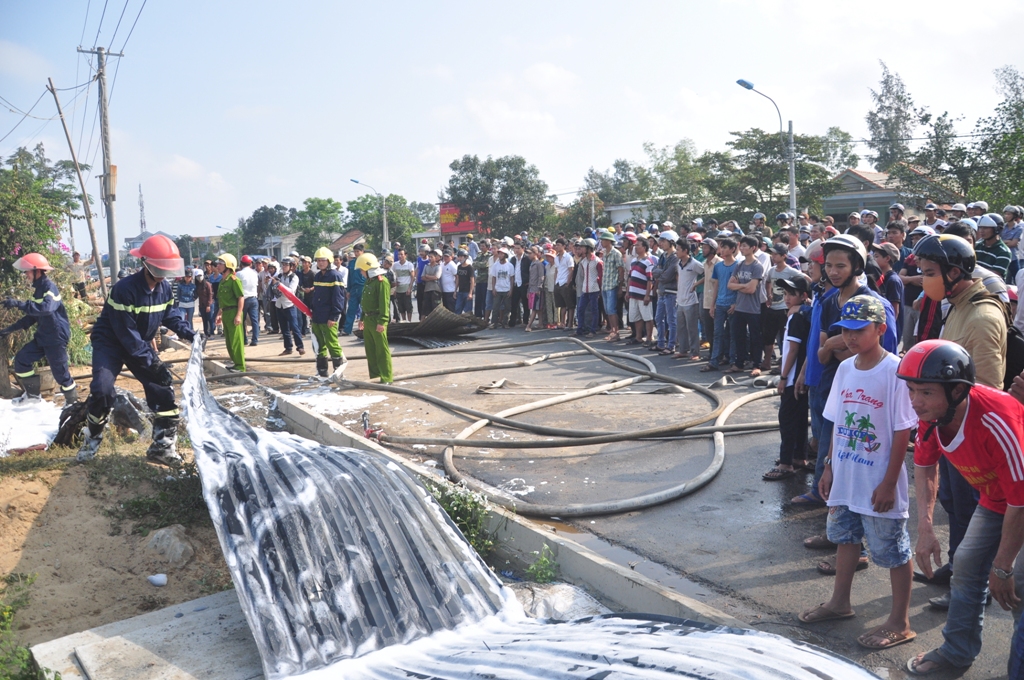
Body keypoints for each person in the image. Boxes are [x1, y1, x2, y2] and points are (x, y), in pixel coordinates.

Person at [798, 295, 917, 653]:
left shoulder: (895, 371)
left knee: (893, 550)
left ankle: (900, 621)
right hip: (846, 476)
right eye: (845, 331)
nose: (850, 338)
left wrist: (888, 482)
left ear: (880, 329)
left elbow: (901, 430)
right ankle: (839, 602)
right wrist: (830, 465)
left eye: (859, 330)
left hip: (878, 481)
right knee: (845, 538)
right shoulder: (846, 369)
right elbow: (835, 422)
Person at [898, 340, 1024, 676]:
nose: (915, 401)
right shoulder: (934, 416)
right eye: (911, 391)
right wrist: (925, 529)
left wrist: (1002, 567)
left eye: (924, 392)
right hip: (998, 500)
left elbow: (1021, 502)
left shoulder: (997, 420)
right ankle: (957, 652)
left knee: (1019, 588)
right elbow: (925, 466)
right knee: (965, 566)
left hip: (1020, 502)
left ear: (956, 391)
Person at [76, 234, 195, 465]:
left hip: (138, 343)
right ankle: (92, 439)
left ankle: (162, 447)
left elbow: (170, 315)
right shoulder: (124, 289)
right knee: (101, 390)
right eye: (160, 269)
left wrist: (188, 332)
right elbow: (126, 335)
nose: (163, 275)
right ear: (146, 263)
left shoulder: (165, 289)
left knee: (163, 389)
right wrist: (154, 362)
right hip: (111, 344)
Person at [0, 254, 77, 405]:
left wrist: (18, 304)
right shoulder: (38, 290)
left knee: (61, 374)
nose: (26, 274)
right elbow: (32, 317)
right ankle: (33, 398)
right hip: (43, 337)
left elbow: (46, 309)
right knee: (22, 360)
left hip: (55, 338)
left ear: (37, 271)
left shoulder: (50, 288)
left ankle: (72, 403)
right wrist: (8, 329)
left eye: (27, 271)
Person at [764, 275, 811, 480]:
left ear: (803, 296)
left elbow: (792, 350)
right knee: (800, 418)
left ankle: (785, 463)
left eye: (792, 294)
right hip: (802, 376)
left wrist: (783, 377)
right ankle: (799, 457)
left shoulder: (796, 317)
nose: (787, 298)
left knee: (787, 419)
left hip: (793, 377)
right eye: (785, 293)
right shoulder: (804, 315)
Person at [727, 235, 766, 376]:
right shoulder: (739, 264)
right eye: (741, 246)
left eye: (745, 246)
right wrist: (744, 285)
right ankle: (739, 364)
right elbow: (729, 285)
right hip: (740, 307)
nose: (741, 248)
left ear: (753, 248)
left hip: (753, 309)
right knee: (739, 337)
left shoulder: (757, 267)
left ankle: (757, 365)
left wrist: (739, 285)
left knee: (755, 337)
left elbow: (752, 289)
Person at [763, 243, 803, 372]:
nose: (773, 257)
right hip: (773, 307)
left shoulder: (790, 271)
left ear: (784, 256)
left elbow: (805, 279)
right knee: (768, 337)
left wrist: (797, 299)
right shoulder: (772, 270)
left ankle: (782, 365)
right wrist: (768, 293)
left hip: (784, 308)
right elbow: (768, 281)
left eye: (776, 254)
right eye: (772, 254)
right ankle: (767, 362)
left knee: (784, 339)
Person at [702, 238, 739, 371]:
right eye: (721, 247)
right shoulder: (718, 266)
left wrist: (736, 303)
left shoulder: (738, 266)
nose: (721, 250)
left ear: (733, 249)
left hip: (732, 304)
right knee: (718, 333)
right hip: (720, 303)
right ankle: (714, 361)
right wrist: (712, 305)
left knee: (732, 333)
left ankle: (733, 360)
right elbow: (716, 285)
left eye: (725, 247)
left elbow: (739, 287)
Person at [357, 253, 392, 384]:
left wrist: (382, 321)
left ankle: (386, 377)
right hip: (368, 318)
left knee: (381, 349)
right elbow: (364, 301)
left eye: (362, 270)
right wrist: (361, 318)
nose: (361, 273)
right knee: (371, 349)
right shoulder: (369, 281)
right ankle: (377, 373)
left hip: (377, 319)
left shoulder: (382, 282)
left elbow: (384, 303)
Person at [311, 247, 345, 377]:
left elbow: (338, 298)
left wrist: (334, 316)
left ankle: (338, 373)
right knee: (318, 345)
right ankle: (322, 372)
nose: (320, 263)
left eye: (323, 260)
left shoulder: (335, 276)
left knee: (332, 344)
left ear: (329, 261)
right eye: (318, 260)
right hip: (317, 316)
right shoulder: (318, 276)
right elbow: (315, 297)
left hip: (329, 317)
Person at [673, 238, 704, 360]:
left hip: (691, 300)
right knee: (681, 327)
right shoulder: (678, 264)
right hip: (680, 300)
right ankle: (683, 350)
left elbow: (706, 274)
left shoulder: (695, 263)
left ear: (685, 251)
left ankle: (695, 352)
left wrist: (696, 285)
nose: (676, 252)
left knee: (692, 328)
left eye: (678, 249)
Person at [215, 254, 246, 372]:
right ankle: (235, 363)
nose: (218, 266)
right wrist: (219, 313)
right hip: (226, 313)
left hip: (234, 312)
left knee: (236, 341)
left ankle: (240, 366)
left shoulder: (234, 280)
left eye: (220, 264)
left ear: (228, 266)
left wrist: (238, 315)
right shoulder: (222, 281)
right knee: (229, 341)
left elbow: (241, 298)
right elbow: (222, 300)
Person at [273, 257, 305, 357]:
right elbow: (274, 289)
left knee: (294, 327)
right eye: (283, 265)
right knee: (284, 328)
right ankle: (288, 348)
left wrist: (279, 285)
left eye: (286, 265)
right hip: (279, 304)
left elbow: (291, 291)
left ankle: (300, 346)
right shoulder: (279, 276)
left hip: (289, 305)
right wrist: (273, 285)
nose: (284, 267)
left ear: (291, 266)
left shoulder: (294, 277)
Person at [574, 238, 603, 338]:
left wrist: (599, 290)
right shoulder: (583, 262)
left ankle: (593, 330)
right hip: (585, 289)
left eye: (582, 247)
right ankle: (580, 330)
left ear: (589, 248)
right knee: (581, 309)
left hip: (594, 289)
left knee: (594, 310)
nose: (580, 249)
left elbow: (600, 276)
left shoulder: (597, 261)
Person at [599, 229, 625, 341]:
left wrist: (620, 287)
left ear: (609, 241)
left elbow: (621, 270)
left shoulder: (616, 253)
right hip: (605, 285)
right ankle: (612, 330)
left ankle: (616, 332)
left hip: (612, 286)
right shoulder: (605, 253)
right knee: (607, 310)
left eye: (603, 240)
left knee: (612, 309)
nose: (601, 242)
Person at [237, 255, 259, 347]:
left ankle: (245, 340)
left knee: (242, 320)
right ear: (251, 264)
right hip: (253, 298)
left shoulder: (239, 274)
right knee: (255, 321)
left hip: (243, 299)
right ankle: (255, 340)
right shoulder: (255, 273)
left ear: (241, 264)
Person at [489, 248, 515, 328]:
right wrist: (493, 288)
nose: (500, 255)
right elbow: (493, 277)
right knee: (495, 307)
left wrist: (511, 290)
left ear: (505, 255)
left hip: (506, 289)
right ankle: (494, 323)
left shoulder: (510, 266)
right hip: (498, 289)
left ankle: (505, 322)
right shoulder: (495, 265)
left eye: (502, 254)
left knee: (507, 307)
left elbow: (511, 278)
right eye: (499, 253)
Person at [343, 245, 366, 334]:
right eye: (355, 251)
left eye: (358, 251)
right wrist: (348, 290)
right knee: (351, 309)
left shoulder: (366, 262)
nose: (356, 253)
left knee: (365, 310)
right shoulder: (352, 263)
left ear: (362, 251)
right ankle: (347, 330)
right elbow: (349, 277)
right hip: (353, 289)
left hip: (363, 287)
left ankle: (364, 329)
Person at [392, 249, 415, 321]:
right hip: (398, 289)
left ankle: (409, 321)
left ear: (405, 255)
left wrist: (409, 288)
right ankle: (404, 321)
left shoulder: (409, 265)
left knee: (408, 307)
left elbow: (412, 277)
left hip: (406, 288)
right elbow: (393, 276)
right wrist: (394, 288)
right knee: (401, 308)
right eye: (399, 254)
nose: (400, 256)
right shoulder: (395, 265)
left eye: (401, 254)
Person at [421, 249, 442, 315]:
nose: (430, 258)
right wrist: (431, 278)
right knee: (426, 308)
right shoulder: (426, 266)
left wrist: (427, 276)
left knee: (436, 308)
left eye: (431, 257)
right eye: (429, 257)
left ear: (435, 258)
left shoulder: (438, 267)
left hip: (436, 290)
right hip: (427, 289)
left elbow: (436, 277)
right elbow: (423, 277)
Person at [454, 250, 475, 315]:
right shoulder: (459, 267)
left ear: (465, 257)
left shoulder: (470, 268)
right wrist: (455, 291)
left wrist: (470, 293)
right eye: (459, 257)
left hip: (467, 291)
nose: (460, 258)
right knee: (458, 308)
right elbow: (458, 279)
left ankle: (468, 323)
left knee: (468, 309)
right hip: (460, 291)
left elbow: (472, 280)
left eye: (461, 257)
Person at [196, 268, 213, 338]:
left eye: (200, 276)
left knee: (210, 319)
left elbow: (210, 294)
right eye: (197, 276)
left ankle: (211, 333)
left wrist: (208, 305)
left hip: (208, 304)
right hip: (202, 305)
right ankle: (206, 333)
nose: (199, 278)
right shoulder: (197, 285)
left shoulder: (207, 284)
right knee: (204, 320)